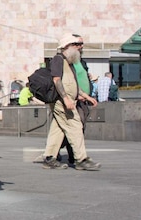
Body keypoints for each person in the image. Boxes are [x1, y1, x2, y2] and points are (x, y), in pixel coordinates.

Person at [41, 33, 100, 171]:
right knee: (75, 126)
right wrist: (66, 98)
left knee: (58, 129)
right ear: (67, 46)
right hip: (62, 101)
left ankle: (49, 158)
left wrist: (86, 96)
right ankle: (81, 159)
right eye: (77, 44)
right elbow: (57, 80)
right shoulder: (58, 59)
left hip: (67, 100)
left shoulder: (69, 62)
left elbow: (73, 84)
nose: (80, 47)